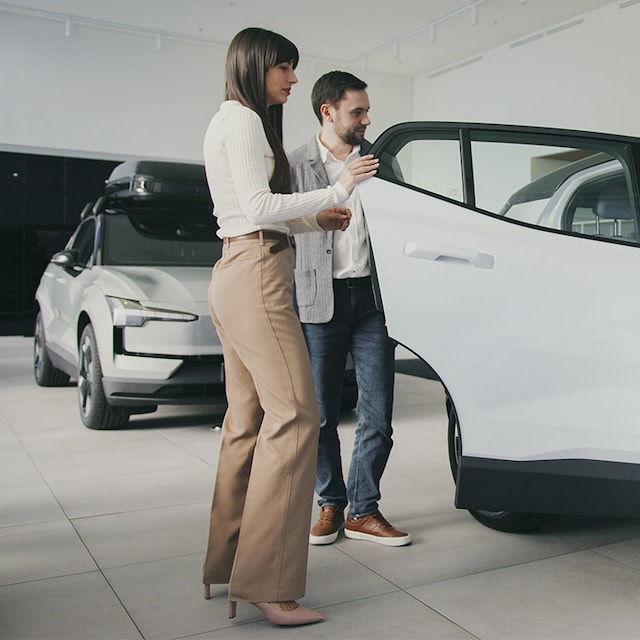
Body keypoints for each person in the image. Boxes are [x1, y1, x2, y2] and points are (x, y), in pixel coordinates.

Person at [200, 29, 378, 627]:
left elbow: (246, 214)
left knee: (245, 421)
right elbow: (257, 207)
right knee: (298, 417)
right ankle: (267, 583)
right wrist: (338, 187)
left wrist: (312, 220)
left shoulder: (227, 120)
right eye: (284, 68)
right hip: (257, 277)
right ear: (256, 66)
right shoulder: (246, 121)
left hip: (236, 267)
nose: (293, 79)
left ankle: (226, 566)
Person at [289, 71, 410, 547]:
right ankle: (330, 503)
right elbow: (281, 231)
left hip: (373, 302)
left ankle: (363, 509)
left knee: (377, 414)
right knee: (320, 417)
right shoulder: (295, 165)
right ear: (328, 112)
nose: (366, 120)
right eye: (357, 111)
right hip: (319, 299)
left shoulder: (380, 162)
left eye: (366, 111)